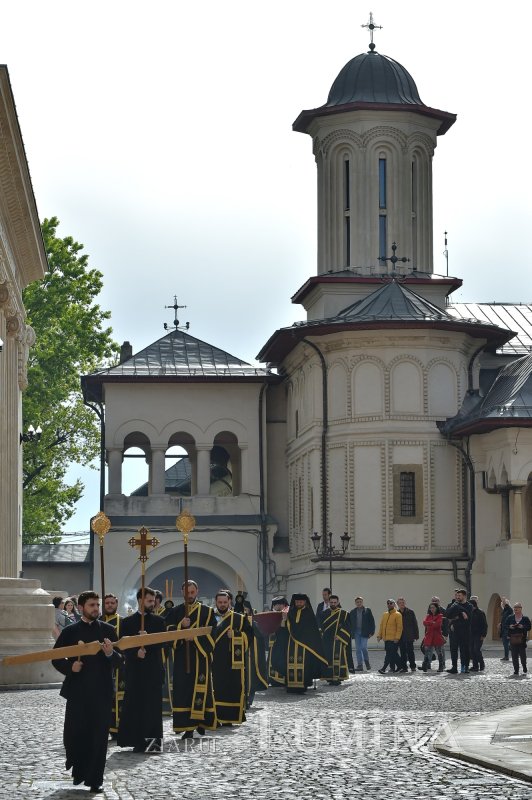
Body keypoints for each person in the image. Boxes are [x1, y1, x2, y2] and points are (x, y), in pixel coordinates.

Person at [52, 590, 122, 792]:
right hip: (78, 692)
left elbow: (121, 661)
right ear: (81, 607)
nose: (96, 609)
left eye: (97, 605)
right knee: (75, 735)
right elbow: (56, 658)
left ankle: (95, 780)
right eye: (92, 605)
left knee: (99, 738)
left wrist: (110, 654)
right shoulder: (70, 632)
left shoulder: (108, 630)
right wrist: (69, 668)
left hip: (101, 692)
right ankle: (79, 772)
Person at [165, 580, 217, 738]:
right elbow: (168, 631)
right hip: (181, 658)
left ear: (197, 591)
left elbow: (212, 633)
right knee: (183, 691)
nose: (189, 595)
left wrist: (193, 637)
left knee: (200, 690)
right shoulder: (175, 612)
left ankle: (201, 722)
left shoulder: (207, 612)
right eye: (187, 592)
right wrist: (181, 627)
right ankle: (187, 727)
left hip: (200, 657)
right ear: (182, 592)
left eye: (192, 592)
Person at [117, 587, 166, 752]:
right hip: (135, 671)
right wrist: (135, 651)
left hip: (153, 670)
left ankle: (153, 743)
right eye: (150, 601)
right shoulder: (127, 622)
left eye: (154, 601)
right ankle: (136, 741)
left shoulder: (159, 621)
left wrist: (148, 639)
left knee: (152, 708)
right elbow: (122, 646)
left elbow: (163, 643)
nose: (153, 604)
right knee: (135, 706)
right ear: (140, 600)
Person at [211, 591, 250, 725]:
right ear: (216, 602)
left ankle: (229, 718)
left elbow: (249, 637)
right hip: (213, 660)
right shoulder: (209, 617)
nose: (222, 605)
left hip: (232, 661)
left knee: (231, 689)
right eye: (220, 602)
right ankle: (214, 717)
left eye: (225, 602)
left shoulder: (239, 618)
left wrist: (236, 635)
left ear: (229, 602)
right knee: (215, 689)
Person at [285, 593, 327, 693]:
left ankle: (303, 685)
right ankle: (291, 686)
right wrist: (284, 620)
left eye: (301, 601)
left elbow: (312, 630)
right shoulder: (290, 612)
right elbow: (287, 626)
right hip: (292, 643)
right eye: (297, 601)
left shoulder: (309, 613)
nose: (299, 603)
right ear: (294, 602)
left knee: (305, 665)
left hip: (306, 645)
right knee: (290, 662)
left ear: (305, 602)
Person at [100, 593, 124, 736]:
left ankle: (117, 728)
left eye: (112, 603)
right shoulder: (98, 621)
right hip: (102, 666)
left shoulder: (123, 622)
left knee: (118, 697)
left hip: (119, 664)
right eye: (107, 603)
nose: (109, 605)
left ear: (116, 604)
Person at [320, 595, 351, 685]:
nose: (333, 604)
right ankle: (329, 677)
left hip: (338, 640)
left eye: (335, 602)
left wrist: (340, 636)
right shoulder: (324, 613)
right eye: (331, 602)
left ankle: (338, 677)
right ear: (329, 602)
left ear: (338, 602)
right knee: (327, 658)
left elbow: (348, 627)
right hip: (326, 640)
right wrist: (321, 635)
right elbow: (320, 626)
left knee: (337, 658)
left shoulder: (344, 614)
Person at [243, 606, 268, 707]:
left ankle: (249, 699)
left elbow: (260, 638)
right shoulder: (234, 620)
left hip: (251, 656)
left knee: (251, 679)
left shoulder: (254, 623)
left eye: (246, 609)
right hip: (238, 656)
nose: (244, 611)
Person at [445, 589, 472, 674]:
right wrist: (461, 611)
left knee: (464, 650)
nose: (457, 597)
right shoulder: (454, 604)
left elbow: (468, 618)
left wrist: (458, 615)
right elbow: (447, 614)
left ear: (464, 596)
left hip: (465, 631)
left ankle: (465, 667)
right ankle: (454, 667)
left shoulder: (469, 605)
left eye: (459, 596)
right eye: (457, 595)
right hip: (454, 631)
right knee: (453, 649)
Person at [348, 596, 375, 671]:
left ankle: (367, 662)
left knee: (363, 647)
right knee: (358, 649)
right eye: (357, 602)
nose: (359, 603)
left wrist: (372, 632)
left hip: (365, 632)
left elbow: (372, 622)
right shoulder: (352, 611)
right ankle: (360, 665)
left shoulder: (367, 610)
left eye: (360, 602)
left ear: (362, 602)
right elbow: (349, 623)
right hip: (356, 632)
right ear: (355, 603)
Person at [267, 596, 289, 686]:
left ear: (284, 604)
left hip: (285, 642)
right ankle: (272, 679)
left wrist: (284, 620)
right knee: (272, 660)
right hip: (273, 641)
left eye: (280, 604)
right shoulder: (271, 614)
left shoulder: (288, 613)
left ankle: (283, 679)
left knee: (283, 660)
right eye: (276, 604)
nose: (278, 606)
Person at [377, 599, 403, 674]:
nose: (389, 604)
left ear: (394, 604)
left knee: (389, 654)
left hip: (393, 639)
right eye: (388, 603)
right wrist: (379, 635)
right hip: (386, 638)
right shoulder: (385, 614)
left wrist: (397, 637)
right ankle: (400, 666)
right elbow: (382, 626)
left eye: (391, 603)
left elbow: (399, 627)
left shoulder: (398, 614)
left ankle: (383, 668)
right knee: (393, 654)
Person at [506, 602, 531, 676]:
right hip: (513, 639)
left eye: (517, 607)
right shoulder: (510, 617)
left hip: (522, 640)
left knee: (523, 656)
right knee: (514, 656)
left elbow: (529, 627)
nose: (515, 609)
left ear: (521, 609)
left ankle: (524, 666)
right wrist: (510, 626)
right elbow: (505, 625)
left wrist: (522, 627)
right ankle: (516, 670)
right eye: (515, 607)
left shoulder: (525, 618)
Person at [420, 603, 446, 672]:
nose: (432, 609)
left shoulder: (440, 615)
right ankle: (425, 666)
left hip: (437, 636)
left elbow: (437, 625)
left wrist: (430, 623)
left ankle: (441, 667)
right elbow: (424, 623)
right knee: (427, 651)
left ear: (436, 608)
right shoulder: (428, 615)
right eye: (431, 608)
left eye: (433, 607)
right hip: (429, 635)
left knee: (439, 652)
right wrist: (432, 622)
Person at [396, 597, 419, 673]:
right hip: (401, 636)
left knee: (410, 652)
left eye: (403, 602)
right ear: (398, 604)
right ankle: (404, 667)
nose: (402, 604)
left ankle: (413, 666)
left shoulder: (410, 612)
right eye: (400, 603)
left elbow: (415, 624)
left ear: (405, 603)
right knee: (402, 652)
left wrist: (416, 635)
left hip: (409, 635)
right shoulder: (396, 613)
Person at [469, 596, 488, 672]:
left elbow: (485, 625)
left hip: (479, 634)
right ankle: (475, 666)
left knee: (476, 650)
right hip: (471, 634)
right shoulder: (469, 612)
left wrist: (483, 635)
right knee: (472, 650)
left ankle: (482, 663)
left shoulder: (480, 612)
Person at [499, 597, 513, 662]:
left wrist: (504, 601)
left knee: (506, 644)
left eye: (503, 604)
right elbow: (504, 620)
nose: (502, 605)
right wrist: (500, 624)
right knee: (506, 644)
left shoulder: (509, 610)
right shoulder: (505, 611)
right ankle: (506, 656)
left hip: (507, 629)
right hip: (504, 629)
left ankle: (507, 656)